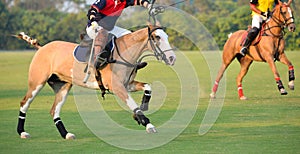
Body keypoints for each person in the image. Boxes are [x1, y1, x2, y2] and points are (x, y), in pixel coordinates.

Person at [84, 0, 154, 69]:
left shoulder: (123, 2)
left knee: (129, 35)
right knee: (102, 32)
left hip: (109, 28)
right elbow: (92, 10)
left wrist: (148, 6)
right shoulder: (105, 1)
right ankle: (97, 59)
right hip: (94, 27)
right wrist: (93, 20)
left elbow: (138, 1)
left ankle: (132, 63)